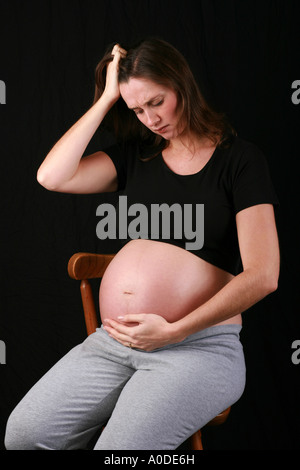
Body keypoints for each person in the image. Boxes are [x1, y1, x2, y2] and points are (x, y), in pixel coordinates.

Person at [5, 38, 280, 450]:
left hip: (198, 346)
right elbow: (52, 177)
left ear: (181, 85)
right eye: (136, 109)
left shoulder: (240, 161)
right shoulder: (137, 156)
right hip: (114, 343)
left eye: (156, 101)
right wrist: (107, 98)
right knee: (23, 437)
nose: (149, 118)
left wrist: (173, 332)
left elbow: (263, 276)